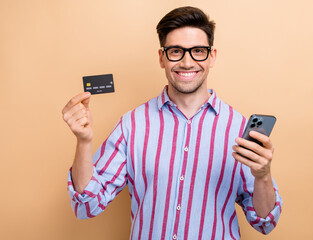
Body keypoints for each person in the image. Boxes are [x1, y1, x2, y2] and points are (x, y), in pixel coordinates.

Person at [62, 6, 282, 240]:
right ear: (162, 58)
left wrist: (263, 176)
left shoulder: (238, 129)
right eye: (176, 51)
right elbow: (87, 206)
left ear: (212, 56)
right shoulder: (132, 124)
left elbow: (265, 223)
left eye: (198, 51)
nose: (187, 63)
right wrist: (83, 142)